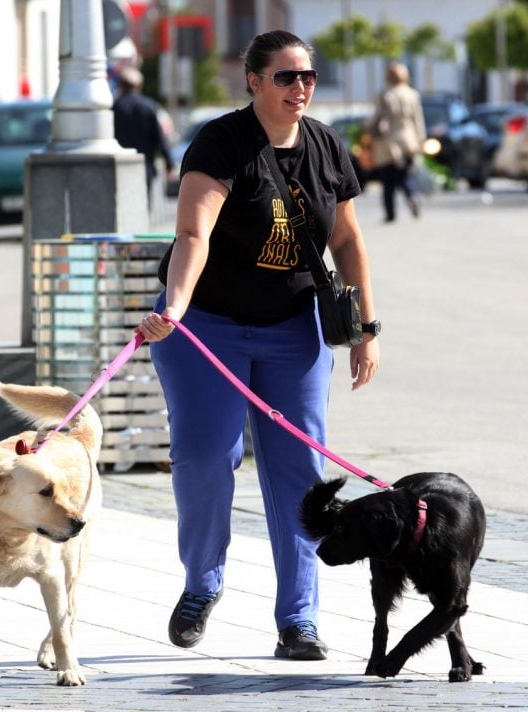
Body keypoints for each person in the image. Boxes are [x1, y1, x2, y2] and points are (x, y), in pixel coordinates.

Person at [135, 30, 380, 661]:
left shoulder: (326, 147)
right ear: (253, 80)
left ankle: (298, 619)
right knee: (204, 458)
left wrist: (366, 330)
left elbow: (348, 242)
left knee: (302, 475)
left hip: (292, 327)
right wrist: (178, 305)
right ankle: (202, 584)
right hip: (205, 324)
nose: (300, 88)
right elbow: (193, 234)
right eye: (285, 77)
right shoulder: (222, 142)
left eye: (308, 77)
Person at [368, 62, 426, 223]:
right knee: (405, 175)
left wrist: (366, 128)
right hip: (408, 140)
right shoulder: (412, 94)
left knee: (388, 181)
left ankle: (390, 213)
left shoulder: (385, 94)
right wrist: (420, 140)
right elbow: (418, 120)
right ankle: (413, 196)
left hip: (388, 142)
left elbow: (375, 118)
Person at [112, 66, 173, 208]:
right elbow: (159, 138)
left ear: (121, 85)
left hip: (119, 168)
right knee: (143, 208)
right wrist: (168, 163)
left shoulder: (114, 107)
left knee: (123, 207)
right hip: (145, 167)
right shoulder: (149, 107)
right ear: (139, 86)